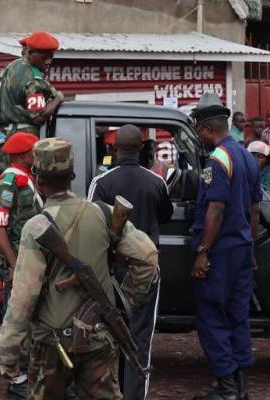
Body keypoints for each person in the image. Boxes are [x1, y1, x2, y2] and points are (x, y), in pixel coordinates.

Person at [0, 137, 159, 400]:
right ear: (72, 176)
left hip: (52, 343)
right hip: (99, 337)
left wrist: (8, 352)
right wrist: (125, 298)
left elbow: (24, 297)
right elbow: (148, 258)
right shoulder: (104, 213)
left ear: (39, 180)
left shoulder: (37, 226)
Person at [87, 124, 172, 400]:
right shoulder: (157, 182)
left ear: (114, 148)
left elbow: (91, 226)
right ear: (143, 149)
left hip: (110, 272)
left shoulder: (101, 182)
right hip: (145, 271)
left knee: (106, 336)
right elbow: (166, 215)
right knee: (140, 338)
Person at [189, 104, 261, 400]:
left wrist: (203, 252)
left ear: (207, 129)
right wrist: (251, 247)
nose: (198, 135)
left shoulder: (218, 160)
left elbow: (215, 208)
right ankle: (240, 388)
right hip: (242, 249)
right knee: (237, 316)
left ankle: (227, 390)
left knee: (211, 316)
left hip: (220, 252)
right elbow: (255, 209)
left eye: (198, 130)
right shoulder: (247, 156)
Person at [0, 132, 41, 399]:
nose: (38, 155)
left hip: (27, 260)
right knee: (16, 321)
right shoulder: (8, 182)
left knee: (29, 320)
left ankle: (27, 375)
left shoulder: (26, 179)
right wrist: (14, 264)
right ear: (22, 155)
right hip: (16, 262)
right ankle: (16, 379)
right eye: (34, 151)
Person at [0, 31, 65, 136]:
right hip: (24, 136)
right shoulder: (33, 80)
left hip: (2, 134)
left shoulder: (10, 67)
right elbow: (38, 117)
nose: (48, 61)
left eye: (51, 57)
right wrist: (58, 99)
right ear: (30, 53)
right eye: (43, 58)